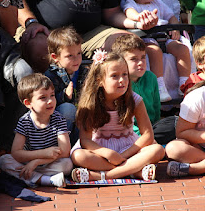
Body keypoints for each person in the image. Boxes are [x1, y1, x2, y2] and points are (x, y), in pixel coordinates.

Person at [70, 51, 165, 182]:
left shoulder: (135, 100)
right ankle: (133, 171)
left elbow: (148, 135)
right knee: (78, 156)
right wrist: (107, 153)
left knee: (157, 150)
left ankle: (103, 175)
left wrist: (123, 155)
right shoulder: (90, 103)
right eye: (114, 76)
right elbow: (85, 140)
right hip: (101, 149)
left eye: (124, 75)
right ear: (100, 81)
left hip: (129, 148)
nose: (122, 80)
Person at [16, 0, 159, 73]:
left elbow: (112, 13)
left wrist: (136, 24)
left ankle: (112, 110)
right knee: (38, 46)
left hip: (92, 32)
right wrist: (31, 22)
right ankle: (49, 106)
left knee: (130, 45)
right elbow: (15, 1)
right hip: (44, 29)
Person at [0, 73, 73, 188]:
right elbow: (16, 153)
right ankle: (46, 180)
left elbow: (65, 151)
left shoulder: (58, 119)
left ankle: (32, 178)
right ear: (28, 103)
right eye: (43, 98)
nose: (50, 101)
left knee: (67, 164)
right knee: (3, 161)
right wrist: (42, 153)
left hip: (50, 162)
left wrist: (37, 162)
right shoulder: (25, 122)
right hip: (28, 162)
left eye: (52, 95)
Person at [122, 0, 191, 102]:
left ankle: (184, 84)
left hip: (165, 35)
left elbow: (171, 16)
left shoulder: (158, 2)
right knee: (155, 51)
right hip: (148, 37)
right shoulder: (131, 3)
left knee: (182, 49)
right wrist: (139, 17)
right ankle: (160, 87)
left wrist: (174, 28)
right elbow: (129, 11)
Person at [44, 26, 87, 146]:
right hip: (57, 125)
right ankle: (60, 147)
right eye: (70, 56)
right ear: (55, 57)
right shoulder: (51, 76)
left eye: (79, 53)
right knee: (68, 109)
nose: (77, 59)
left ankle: (81, 146)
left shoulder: (83, 72)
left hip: (79, 120)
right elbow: (45, 103)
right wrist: (64, 96)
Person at [165, 80, 205, 177]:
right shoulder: (196, 97)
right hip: (199, 149)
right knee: (173, 149)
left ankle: (195, 169)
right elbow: (182, 132)